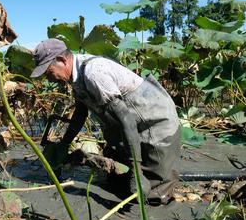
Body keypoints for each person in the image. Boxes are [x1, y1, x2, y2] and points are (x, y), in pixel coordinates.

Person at [31, 38, 180, 205]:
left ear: (62, 60)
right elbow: (80, 114)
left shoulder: (94, 74)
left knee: (150, 195)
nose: (50, 80)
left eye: (49, 72)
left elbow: (127, 121)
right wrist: (64, 144)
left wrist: (137, 171)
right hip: (133, 128)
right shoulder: (76, 76)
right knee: (115, 180)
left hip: (156, 123)